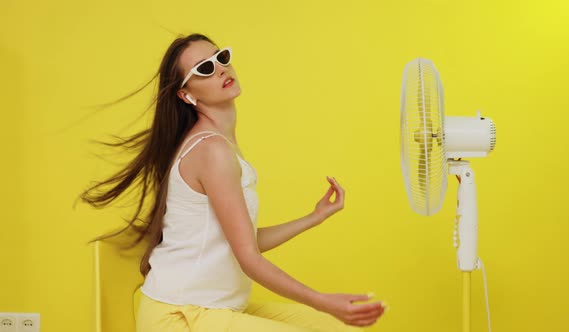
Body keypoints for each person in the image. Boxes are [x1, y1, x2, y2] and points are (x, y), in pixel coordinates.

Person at [80, 33, 386, 332]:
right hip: (181, 316)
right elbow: (248, 258)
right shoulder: (211, 150)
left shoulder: (218, 145)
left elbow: (242, 242)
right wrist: (322, 300)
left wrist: (313, 218)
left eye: (220, 57)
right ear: (187, 95)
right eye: (205, 68)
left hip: (214, 309)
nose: (221, 68)